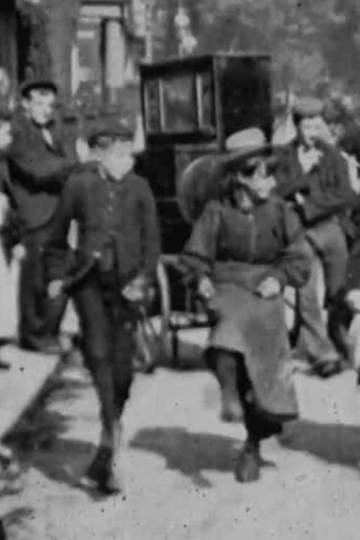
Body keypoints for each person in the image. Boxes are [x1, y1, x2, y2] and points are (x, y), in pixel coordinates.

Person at [180, 128, 311, 483]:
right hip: (225, 286)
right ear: (238, 177)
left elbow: (298, 258)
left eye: (270, 172)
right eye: (258, 173)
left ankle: (252, 444)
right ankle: (228, 396)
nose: (268, 180)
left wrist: (280, 278)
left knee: (262, 370)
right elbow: (194, 257)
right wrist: (202, 280)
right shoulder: (215, 212)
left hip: (265, 289)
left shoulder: (281, 211)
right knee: (227, 329)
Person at [44, 118, 161, 494]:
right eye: (120, 153)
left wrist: (142, 281)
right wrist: (56, 275)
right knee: (98, 353)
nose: (128, 160)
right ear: (100, 154)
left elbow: (152, 243)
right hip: (89, 282)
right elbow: (56, 237)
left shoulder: (140, 188)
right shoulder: (79, 186)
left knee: (123, 369)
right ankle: (111, 432)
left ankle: (104, 444)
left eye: (130, 153)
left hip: (127, 286)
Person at [275, 97, 354, 377]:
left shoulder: (332, 155)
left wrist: (308, 204)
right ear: (296, 127)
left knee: (339, 290)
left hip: (331, 227)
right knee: (305, 292)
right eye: (306, 126)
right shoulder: (283, 157)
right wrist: (305, 176)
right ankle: (323, 354)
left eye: (315, 126)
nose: (312, 132)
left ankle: (338, 339)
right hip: (300, 230)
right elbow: (277, 192)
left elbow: (347, 195)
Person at [7, 78, 80, 354]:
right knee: (35, 280)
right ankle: (34, 336)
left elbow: (62, 161)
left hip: (58, 213)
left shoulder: (54, 130)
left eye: (50, 104)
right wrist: (78, 164)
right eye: (39, 103)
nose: (46, 110)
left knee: (61, 274)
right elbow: (39, 171)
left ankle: (48, 331)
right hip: (35, 216)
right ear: (25, 104)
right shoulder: (17, 132)